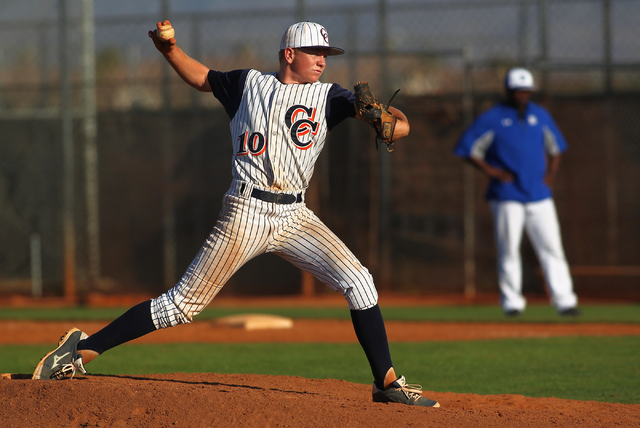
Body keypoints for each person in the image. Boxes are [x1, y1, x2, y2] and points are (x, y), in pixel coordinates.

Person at [32, 21, 439, 408]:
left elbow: (399, 126)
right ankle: (82, 350)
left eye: (326, 53)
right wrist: (170, 49)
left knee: (360, 282)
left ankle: (385, 383)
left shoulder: (331, 98)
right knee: (181, 306)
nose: (322, 59)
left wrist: (386, 121)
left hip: (296, 216)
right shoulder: (248, 84)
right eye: (314, 51)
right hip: (246, 211)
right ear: (289, 53)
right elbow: (201, 77)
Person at [454, 67, 580, 317]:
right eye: (518, 91)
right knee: (509, 249)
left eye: (527, 91)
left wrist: (550, 176)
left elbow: (556, 148)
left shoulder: (540, 115)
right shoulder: (493, 117)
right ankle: (512, 302)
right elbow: (467, 149)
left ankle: (564, 300)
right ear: (508, 91)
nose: (523, 95)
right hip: (507, 194)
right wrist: (492, 172)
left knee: (552, 248)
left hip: (539, 195)